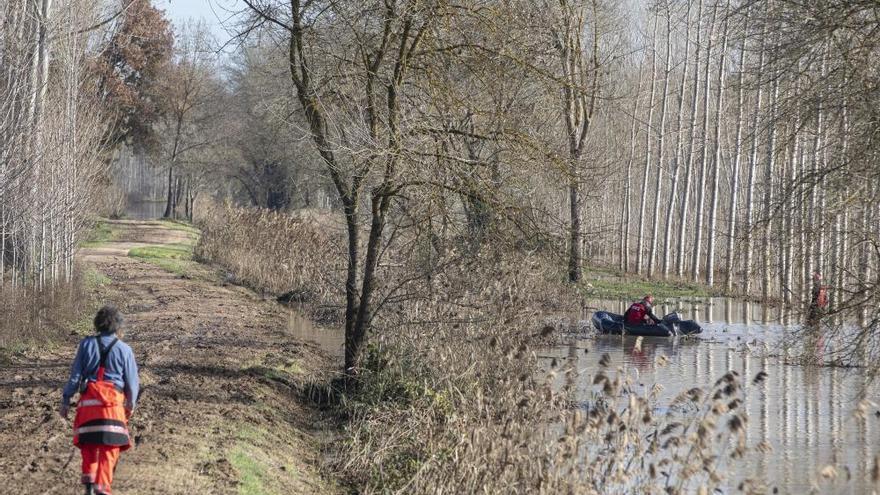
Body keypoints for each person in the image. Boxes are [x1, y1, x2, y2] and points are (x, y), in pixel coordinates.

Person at [60, 306, 139, 495]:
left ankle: (89, 479)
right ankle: (102, 486)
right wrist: (130, 405)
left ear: (97, 324)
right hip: (112, 407)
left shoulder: (85, 344)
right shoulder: (125, 349)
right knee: (109, 449)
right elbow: (132, 383)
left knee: (89, 444)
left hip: (88, 405)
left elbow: (75, 377)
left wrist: (65, 400)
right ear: (118, 326)